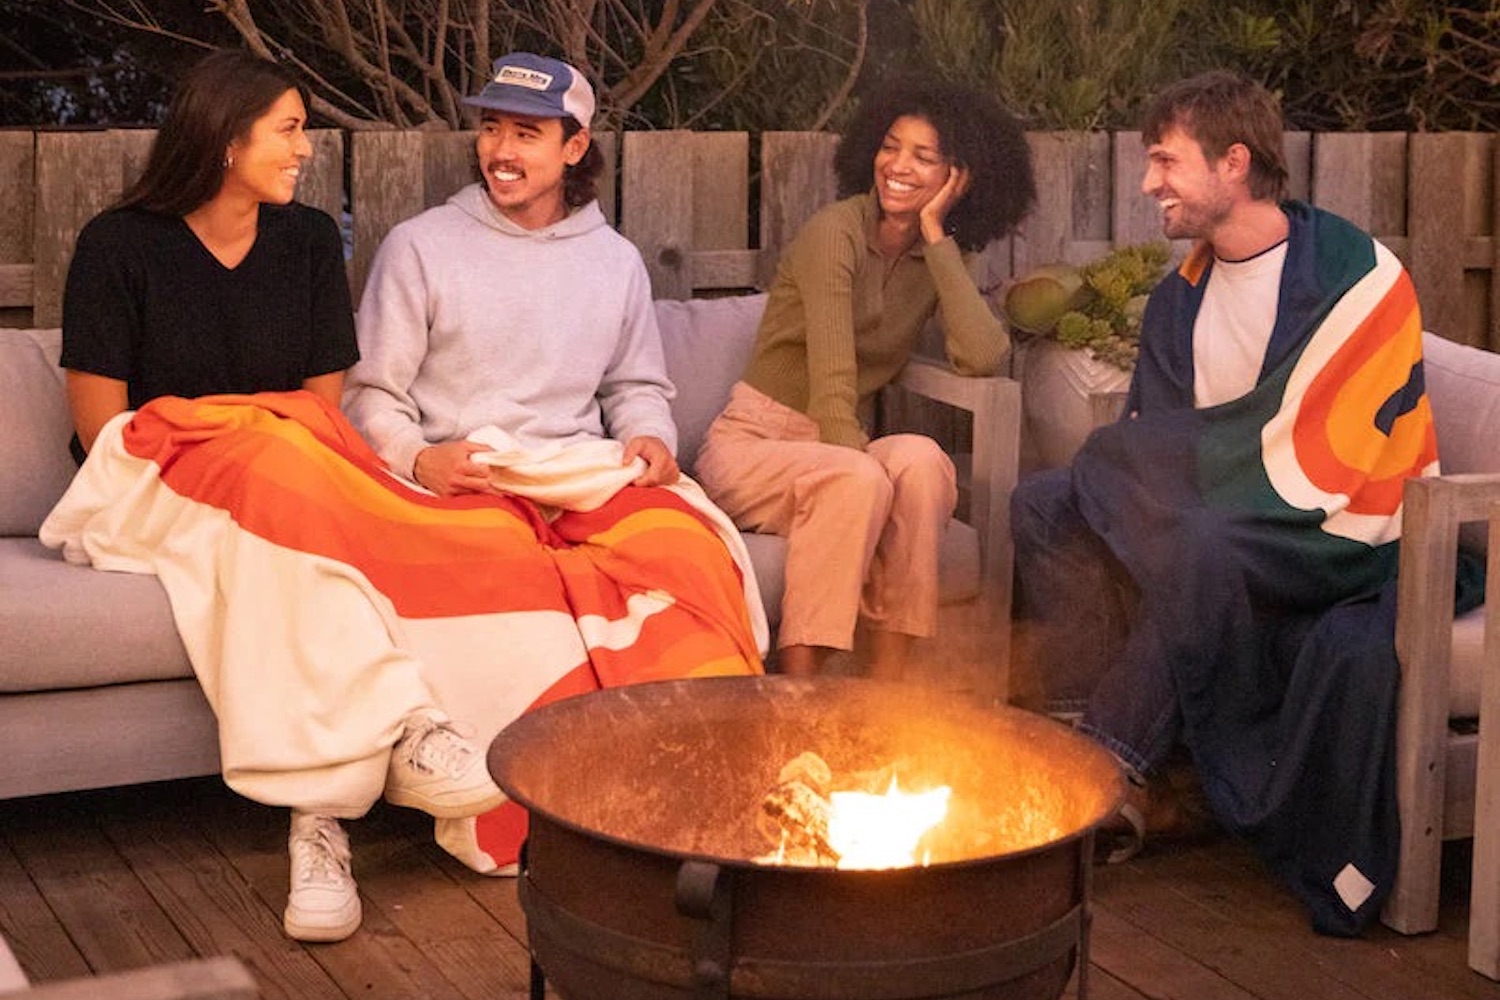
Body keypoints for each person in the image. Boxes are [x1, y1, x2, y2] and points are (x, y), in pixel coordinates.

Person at [51, 49, 507, 944]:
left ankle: (318, 822)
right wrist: (242, 434)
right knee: (275, 476)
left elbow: (318, 418)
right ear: (226, 138)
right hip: (140, 485)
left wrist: (258, 439)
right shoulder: (118, 245)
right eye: (289, 129)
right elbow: (106, 430)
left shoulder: (303, 243)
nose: (307, 149)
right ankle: (409, 728)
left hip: (270, 489)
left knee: (280, 521)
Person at [1009, 71, 1444, 936]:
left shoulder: (1355, 277)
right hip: (1223, 512)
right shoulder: (1183, 297)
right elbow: (1165, 440)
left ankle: (1102, 765)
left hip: (1344, 527)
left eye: (1165, 160)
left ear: (1234, 163)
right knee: (1045, 503)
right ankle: (1093, 728)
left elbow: (1343, 449)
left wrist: (1189, 483)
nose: (1148, 183)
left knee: (1192, 542)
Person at [691, 74, 1035, 680]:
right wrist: (869, 474)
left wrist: (935, 237)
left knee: (923, 463)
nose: (896, 165)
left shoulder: (936, 255)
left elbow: (983, 355)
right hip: (754, 447)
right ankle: (801, 692)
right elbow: (831, 378)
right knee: (858, 474)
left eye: (924, 157)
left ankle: (889, 686)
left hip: (831, 454)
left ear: (961, 177)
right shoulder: (835, 232)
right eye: (890, 146)